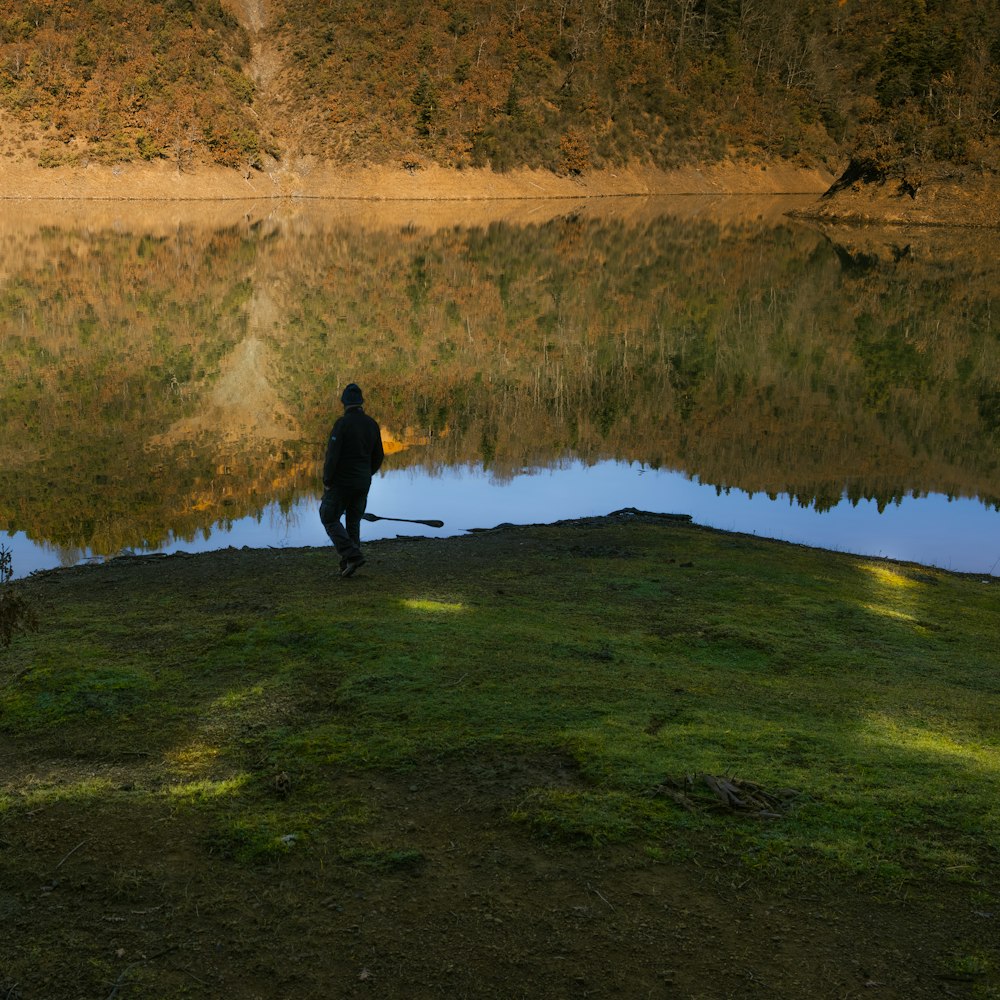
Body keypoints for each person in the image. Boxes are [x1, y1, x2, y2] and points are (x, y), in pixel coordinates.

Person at [319, 383, 384, 577]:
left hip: (342, 482)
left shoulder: (342, 424)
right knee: (353, 521)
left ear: (344, 403)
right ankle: (348, 561)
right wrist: (367, 473)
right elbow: (378, 456)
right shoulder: (372, 424)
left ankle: (351, 555)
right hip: (363, 481)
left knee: (328, 516)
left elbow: (332, 456)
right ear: (361, 403)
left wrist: (327, 480)